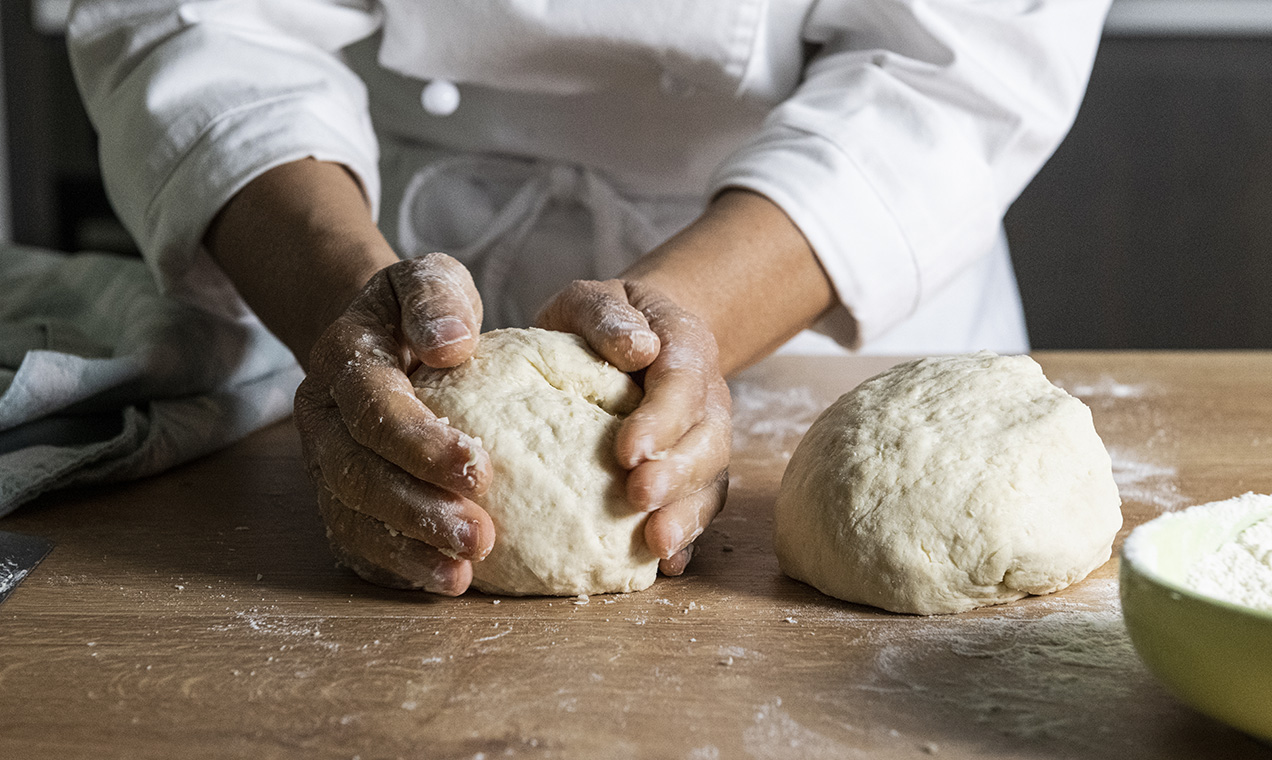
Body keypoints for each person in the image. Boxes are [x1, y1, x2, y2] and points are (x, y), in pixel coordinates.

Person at [66, 0, 1112, 594]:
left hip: (833, 251)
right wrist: (348, 304)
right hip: (360, 215)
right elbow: (193, 19)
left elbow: (963, 64)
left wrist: (692, 305)